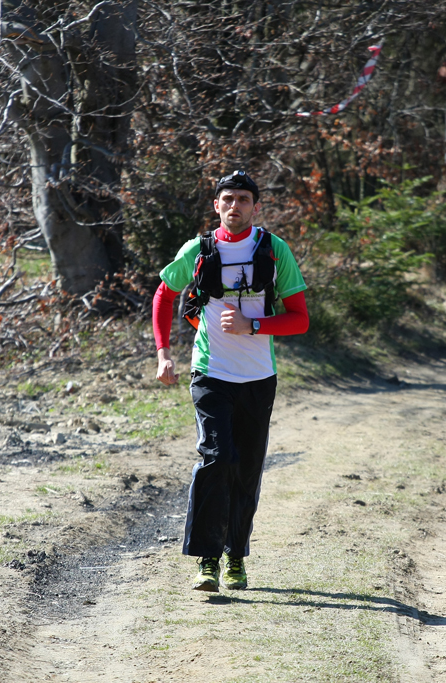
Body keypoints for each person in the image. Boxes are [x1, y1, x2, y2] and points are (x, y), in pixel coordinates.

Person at [152, 170, 310, 592]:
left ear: (256, 207)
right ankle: (207, 560)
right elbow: (164, 295)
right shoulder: (199, 250)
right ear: (216, 205)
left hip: (258, 377)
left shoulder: (274, 250)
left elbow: (300, 319)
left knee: (247, 469)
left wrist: (252, 325)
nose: (235, 205)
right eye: (228, 199)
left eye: (243, 199)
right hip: (211, 373)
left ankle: (235, 556)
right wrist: (164, 353)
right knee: (216, 459)